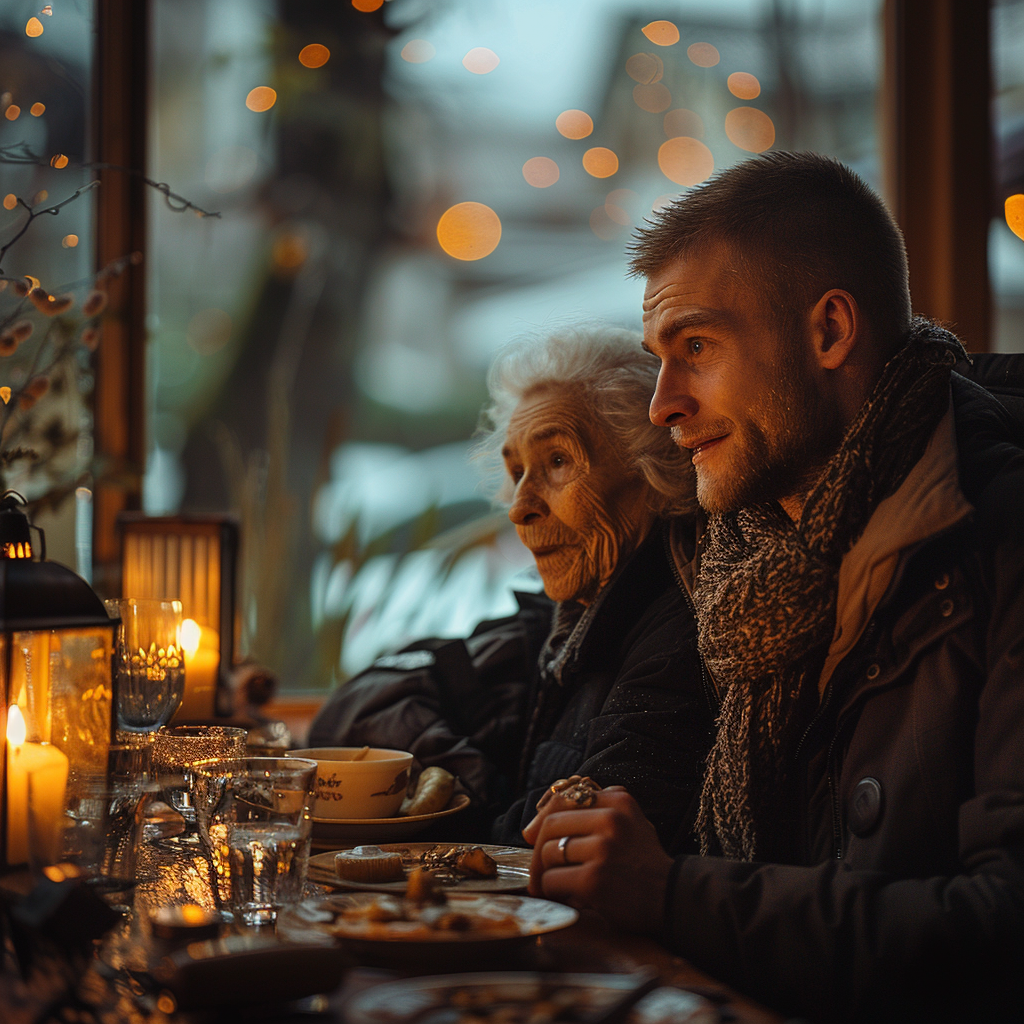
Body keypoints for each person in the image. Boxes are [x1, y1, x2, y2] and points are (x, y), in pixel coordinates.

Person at [524, 153, 1024, 1023]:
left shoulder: (997, 542)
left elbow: (1001, 931)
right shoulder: (735, 566)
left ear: (830, 333)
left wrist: (674, 895)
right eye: (658, 358)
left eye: (698, 348)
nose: (662, 404)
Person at [308, 327, 715, 849]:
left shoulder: (679, 643)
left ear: (656, 471)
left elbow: (554, 849)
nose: (521, 507)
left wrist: (462, 803)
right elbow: (352, 709)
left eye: (558, 462)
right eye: (517, 471)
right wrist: (462, 779)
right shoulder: (555, 625)